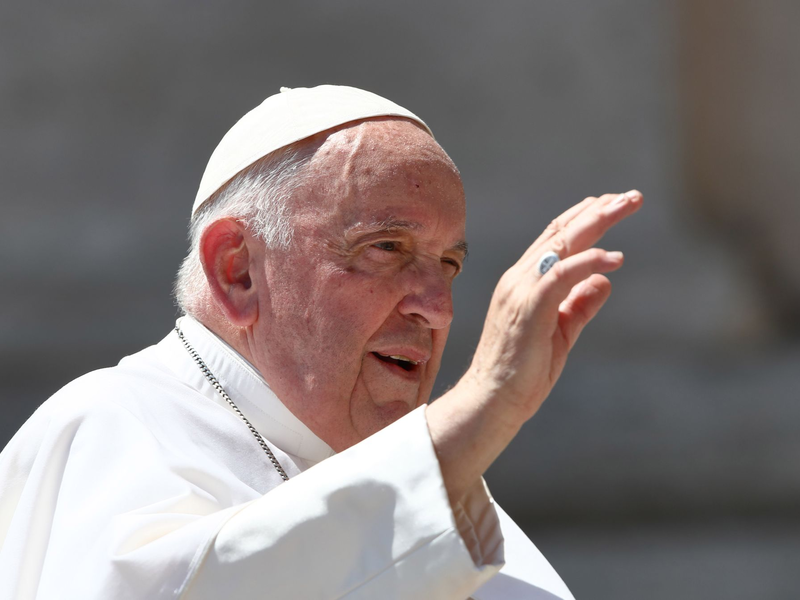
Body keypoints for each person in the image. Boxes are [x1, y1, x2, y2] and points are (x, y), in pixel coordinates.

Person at [0, 85, 642, 600]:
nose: (439, 310)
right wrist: (487, 400)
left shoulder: (462, 506)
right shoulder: (110, 425)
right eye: (387, 248)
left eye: (448, 264)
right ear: (238, 270)